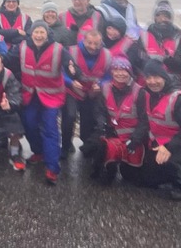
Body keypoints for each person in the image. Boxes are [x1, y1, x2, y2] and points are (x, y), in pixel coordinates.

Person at [5, 21, 78, 185]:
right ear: (31, 33)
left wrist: (73, 70)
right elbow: (7, 60)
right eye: (36, 32)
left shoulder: (58, 49)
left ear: (47, 34)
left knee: (50, 129)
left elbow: (70, 64)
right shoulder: (22, 47)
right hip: (29, 94)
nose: (39, 35)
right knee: (29, 124)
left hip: (51, 97)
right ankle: (38, 151)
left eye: (42, 33)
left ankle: (52, 167)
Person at [120, 60, 181, 201]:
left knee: (172, 163)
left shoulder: (177, 98)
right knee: (133, 175)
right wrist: (134, 140)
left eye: (156, 77)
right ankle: (167, 174)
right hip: (156, 144)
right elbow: (146, 122)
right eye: (148, 77)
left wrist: (168, 148)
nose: (152, 81)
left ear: (164, 77)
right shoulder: (148, 95)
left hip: (174, 146)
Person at [81, 56, 146, 184]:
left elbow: (145, 120)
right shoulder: (105, 87)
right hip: (111, 130)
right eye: (116, 69)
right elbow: (99, 111)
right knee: (91, 147)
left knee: (132, 178)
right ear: (112, 72)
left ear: (130, 73)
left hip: (131, 136)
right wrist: (102, 126)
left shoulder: (140, 92)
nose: (119, 73)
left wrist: (135, 139)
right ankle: (105, 166)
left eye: (124, 70)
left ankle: (120, 164)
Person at [62, 29, 111, 158]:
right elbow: (60, 71)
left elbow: (109, 75)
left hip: (91, 94)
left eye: (96, 44)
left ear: (101, 43)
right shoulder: (70, 51)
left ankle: (87, 146)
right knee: (70, 116)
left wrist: (101, 84)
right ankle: (66, 146)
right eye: (90, 43)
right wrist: (70, 82)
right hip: (72, 91)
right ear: (83, 41)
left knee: (88, 123)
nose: (93, 47)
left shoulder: (107, 55)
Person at [138, 0, 181, 77]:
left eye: (166, 16)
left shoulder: (178, 37)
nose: (163, 19)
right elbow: (137, 60)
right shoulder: (144, 36)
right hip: (149, 78)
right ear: (154, 17)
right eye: (159, 16)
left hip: (173, 80)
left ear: (171, 18)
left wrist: (170, 61)